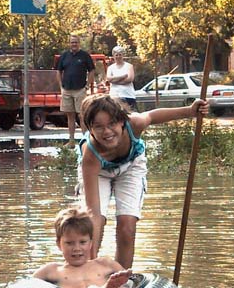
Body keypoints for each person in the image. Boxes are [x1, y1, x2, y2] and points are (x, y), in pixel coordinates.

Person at [77, 93, 209, 270]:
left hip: (131, 166)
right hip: (99, 172)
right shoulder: (90, 155)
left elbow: (153, 116)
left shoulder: (134, 124)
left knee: (127, 226)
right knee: (96, 222)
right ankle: (87, 271)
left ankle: (122, 278)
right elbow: (93, 212)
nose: (107, 132)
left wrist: (190, 111)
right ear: (90, 129)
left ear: (122, 121)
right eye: (99, 127)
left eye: (112, 124)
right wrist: (90, 268)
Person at [32, 206, 142, 288]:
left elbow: (133, 280)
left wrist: (126, 283)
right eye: (69, 243)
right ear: (59, 244)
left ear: (90, 243)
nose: (76, 248)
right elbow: (25, 287)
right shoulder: (52, 270)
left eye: (82, 242)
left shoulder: (105, 264)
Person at [55, 34, 95, 146]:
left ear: (79, 43)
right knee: (70, 116)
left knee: (82, 115)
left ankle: (86, 141)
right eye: (72, 42)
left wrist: (87, 86)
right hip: (66, 90)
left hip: (80, 90)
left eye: (76, 42)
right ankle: (71, 141)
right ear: (69, 43)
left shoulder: (85, 56)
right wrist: (60, 86)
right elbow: (58, 71)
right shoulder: (64, 56)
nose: (74, 44)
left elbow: (92, 71)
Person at [106, 46, 137, 110]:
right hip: (114, 96)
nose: (118, 57)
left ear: (123, 55)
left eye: (120, 55)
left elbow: (130, 79)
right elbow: (109, 79)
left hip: (128, 95)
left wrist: (114, 81)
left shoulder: (129, 66)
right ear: (113, 56)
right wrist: (122, 77)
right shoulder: (110, 68)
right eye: (116, 55)